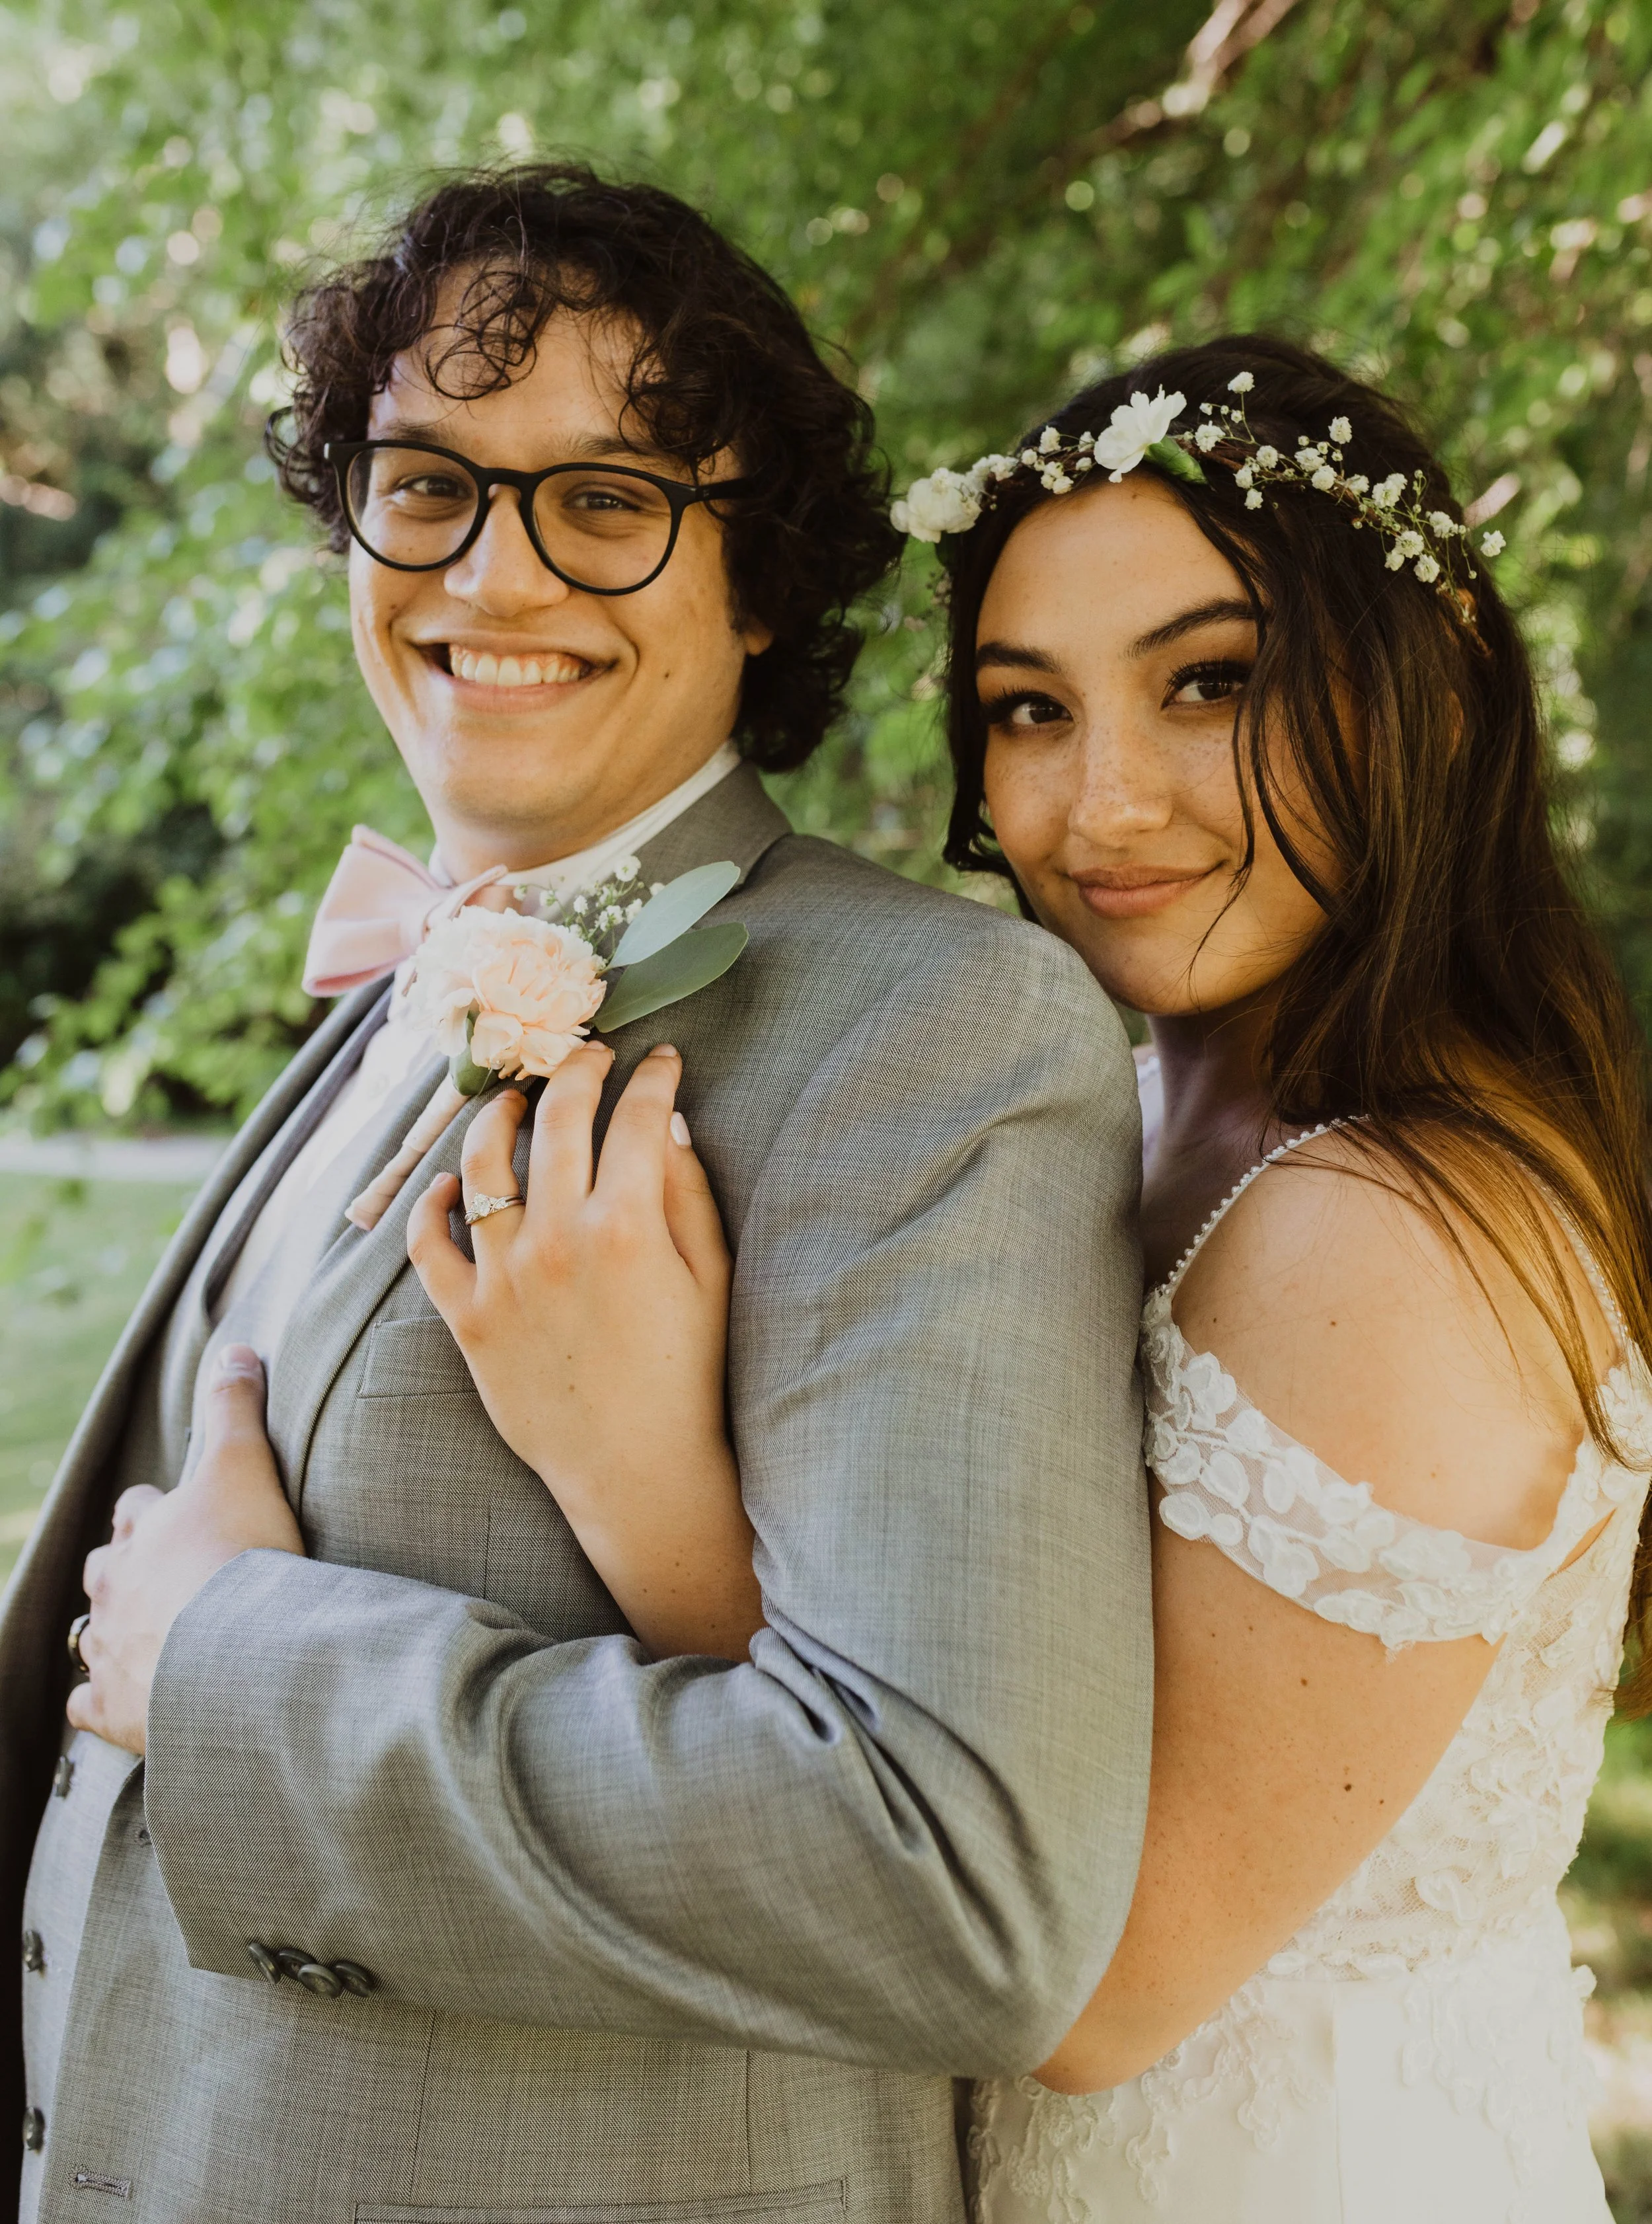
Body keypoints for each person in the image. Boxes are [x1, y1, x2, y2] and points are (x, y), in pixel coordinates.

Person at [0, 166, 1154, 2223]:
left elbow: (950, 1886)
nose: (490, 571)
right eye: (425, 483)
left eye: (607, 500)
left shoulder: (931, 1033)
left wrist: (230, 1659)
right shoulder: (396, 975)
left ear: (764, 577)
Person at [412, 336, 1652, 2222]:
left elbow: (1083, 1977)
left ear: (1428, 690)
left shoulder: (1384, 1235)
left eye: (1209, 683)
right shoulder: (1144, 1104)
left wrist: (638, 1471)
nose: (1104, 808)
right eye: (1028, 709)